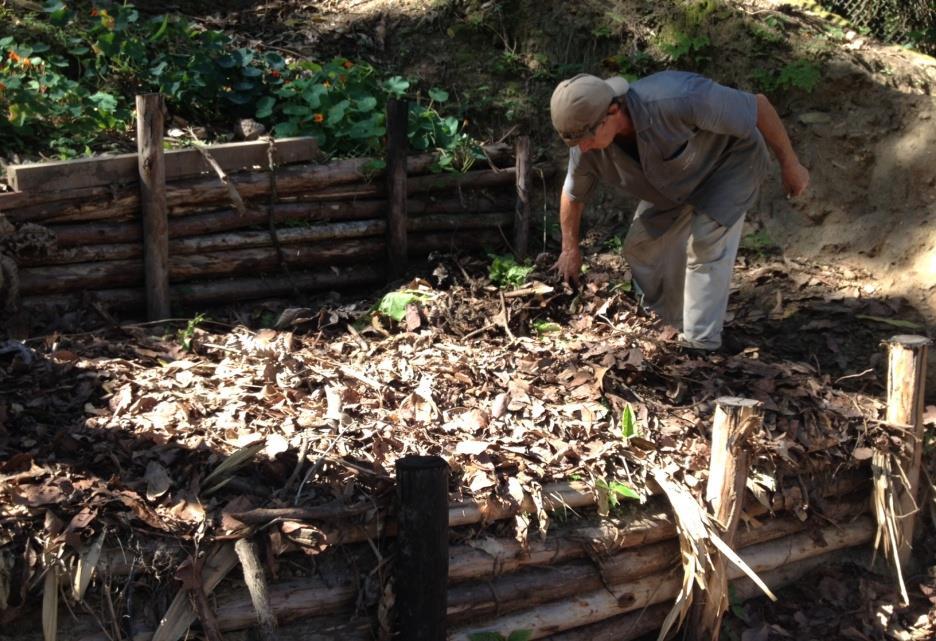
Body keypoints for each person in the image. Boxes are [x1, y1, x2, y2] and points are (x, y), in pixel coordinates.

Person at [550, 71, 809, 351]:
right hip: (673, 185)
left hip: (728, 166)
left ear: (613, 111)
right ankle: (670, 323)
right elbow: (573, 194)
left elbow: (758, 106)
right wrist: (570, 249)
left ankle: (702, 344)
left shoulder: (677, 97)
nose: (584, 147)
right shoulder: (585, 147)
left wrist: (790, 164)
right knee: (640, 247)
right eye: (576, 143)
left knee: (705, 241)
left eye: (588, 137)